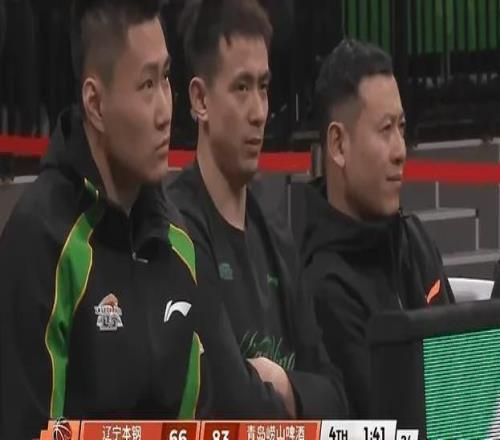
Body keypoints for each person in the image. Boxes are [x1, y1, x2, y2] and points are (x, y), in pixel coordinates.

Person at [0, 1, 202, 437]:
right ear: (95, 103)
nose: (166, 111)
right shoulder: (39, 242)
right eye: (146, 85)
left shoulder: (179, 243)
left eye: (166, 78)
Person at [167, 0, 347, 418]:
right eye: (241, 88)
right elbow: (231, 402)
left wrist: (284, 385)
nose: (259, 112)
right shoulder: (177, 230)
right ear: (200, 99)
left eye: (263, 87)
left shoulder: (276, 231)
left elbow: (337, 397)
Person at [296, 38, 455, 418]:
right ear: (338, 145)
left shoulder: (415, 240)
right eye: (385, 130)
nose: (400, 150)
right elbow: (396, 420)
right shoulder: (323, 286)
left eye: (402, 127)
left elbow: (462, 369)